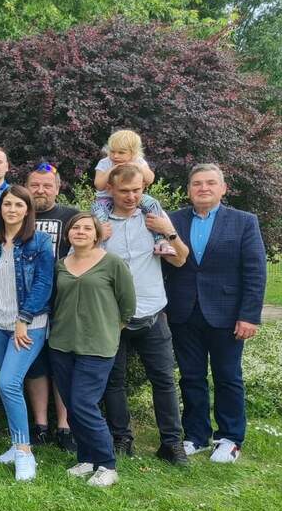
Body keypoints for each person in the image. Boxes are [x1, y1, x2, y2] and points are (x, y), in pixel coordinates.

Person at [164, 163, 267, 463]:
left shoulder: (244, 222)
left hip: (227, 314)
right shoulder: (173, 221)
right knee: (191, 376)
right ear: (188, 190)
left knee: (228, 376)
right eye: (197, 183)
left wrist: (249, 315)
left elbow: (255, 271)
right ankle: (196, 435)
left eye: (210, 182)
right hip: (183, 312)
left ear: (223, 188)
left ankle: (230, 438)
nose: (203, 188)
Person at [99, 163, 190, 465]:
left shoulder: (155, 219)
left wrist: (169, 232)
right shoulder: (99, 223)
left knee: (163, 380)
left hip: (153, 313)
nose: (131, 197)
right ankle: (121, 438)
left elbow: (180, 260)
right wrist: (98, 237)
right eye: (124, 191)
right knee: (114, 382)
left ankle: (171, 444)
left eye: (137, 190)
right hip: (112, 317)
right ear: (110, 189)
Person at [49, 213, 137, 488]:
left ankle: (107, 464)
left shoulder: (112, 263)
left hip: (97, 346)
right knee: (72, 405)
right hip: (62, 344)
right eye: (75, 227)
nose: (81, 231)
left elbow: (128, 304)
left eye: (87, 228)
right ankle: (86, 458)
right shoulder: (60, 265)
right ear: (68, 234)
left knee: (83, 403)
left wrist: (111, 329)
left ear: (97, 235)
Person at [0, 186, 55, 481]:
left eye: (18, 205)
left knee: (8, 383)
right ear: (0, 209)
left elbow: (43, 284)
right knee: (10, 385)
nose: (11, 210)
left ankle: (25, 452)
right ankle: (16, 443)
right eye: (7, 204)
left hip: (28, 325)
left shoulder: (39, 242)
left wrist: (23, 318)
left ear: (27, 210)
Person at [24, 162, 78, 448]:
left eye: (47, 186)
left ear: (57, 189)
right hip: (29, 304)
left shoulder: (71, 217)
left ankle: (65, 427)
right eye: (35, 185)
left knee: (62, 364)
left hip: (64, 304)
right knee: (35, 365)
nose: (40, 190)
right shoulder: (19, 215)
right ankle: (40, 425)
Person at [92, 129, 173, 255]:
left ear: (133, 153)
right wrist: (113, 169)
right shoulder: (105, 163)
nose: (115, 156)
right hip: (105, 199)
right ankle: (99, 246)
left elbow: (150, 179)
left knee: (153, 204)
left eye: (121, 152)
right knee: (98, 215)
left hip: (134, 197)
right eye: (112, 151)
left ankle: (160, 240)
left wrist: (137, 166)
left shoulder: (138, 162)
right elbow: (99, 185)